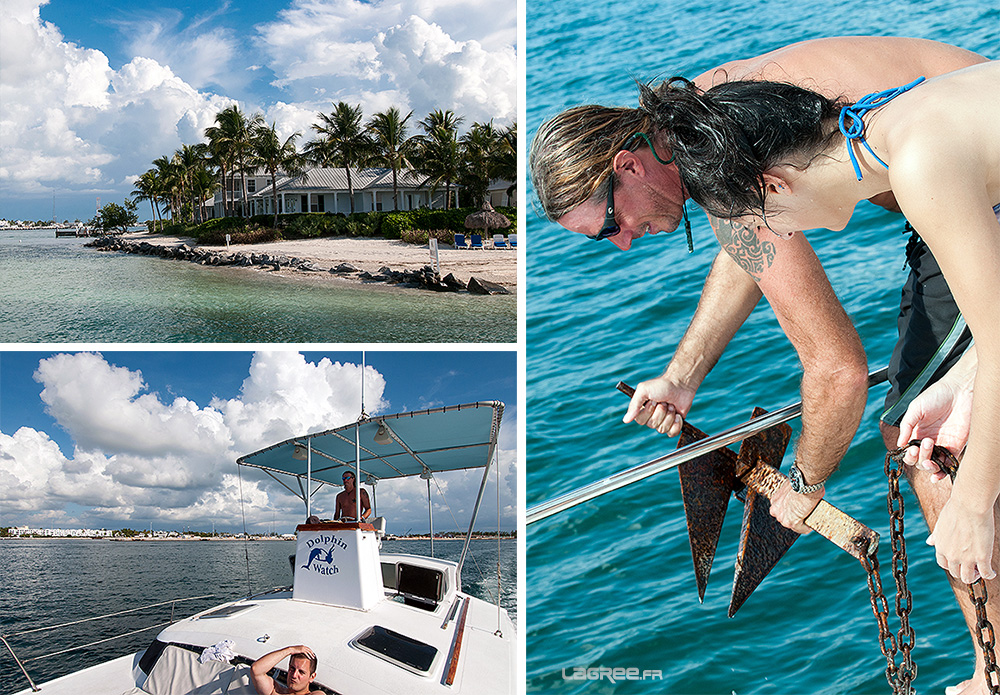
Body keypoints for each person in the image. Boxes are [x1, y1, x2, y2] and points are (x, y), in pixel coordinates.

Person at [528, 37, 991, 694]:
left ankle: (994, 671)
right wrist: (684, 376)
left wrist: (803, 486)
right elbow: (748, 240)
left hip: (966, 177)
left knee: (923, 441)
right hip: (957, 159)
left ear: (627, 166)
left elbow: (836, 371)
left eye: (610, 226)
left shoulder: (728, 155)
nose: (624, 242)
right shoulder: (699, 120)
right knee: (924, 411)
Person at [649, 63, 999, 691]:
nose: (777, 242)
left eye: (767, 226)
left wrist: (972, 506)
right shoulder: (890, 120)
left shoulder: (919, 167)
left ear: (773, 184)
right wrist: (959, 381)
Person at [251, 645, 321, 695]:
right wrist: (290, 650)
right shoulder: (275, 691)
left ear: (312, 677)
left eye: (301, 672)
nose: (294, 675)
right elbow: (256, 670)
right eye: (292, 669)